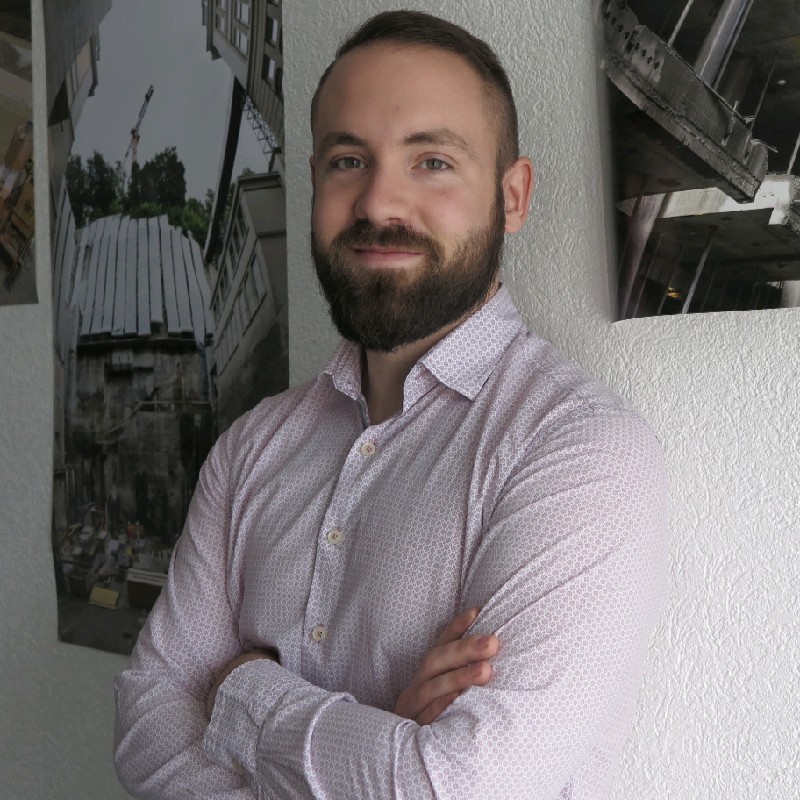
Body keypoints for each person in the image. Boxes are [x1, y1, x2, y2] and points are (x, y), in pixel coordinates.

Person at [114, 9, 669, 799]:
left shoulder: (578, 451)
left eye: (432, 161)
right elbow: (145, 726)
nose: (379, 203)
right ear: (316, 180)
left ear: (512, 196)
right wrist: (378, 744)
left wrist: (239, 689)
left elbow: (459, 787)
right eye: (349, 160)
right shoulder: (250, 449)